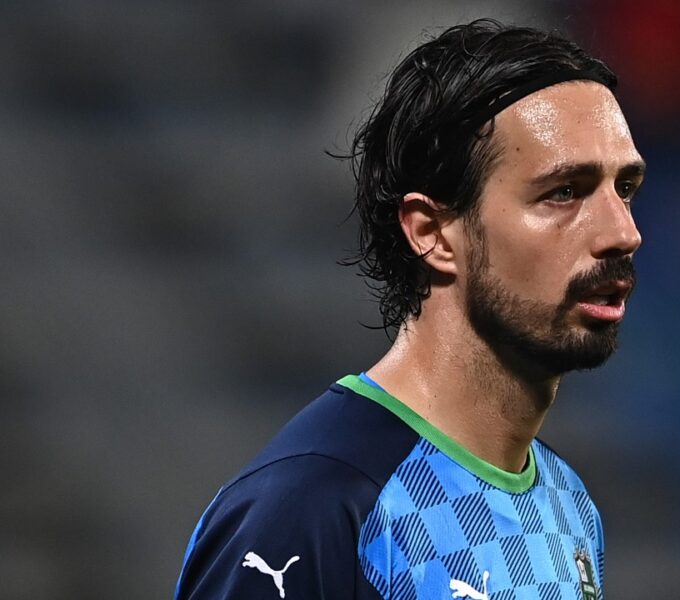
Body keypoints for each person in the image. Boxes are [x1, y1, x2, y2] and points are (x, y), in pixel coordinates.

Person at [174, 18, 643, 600]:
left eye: (625, 189)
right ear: (432, 233)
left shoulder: (568, 505)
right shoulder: (315, 505)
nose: (623, 233)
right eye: (564, 192)